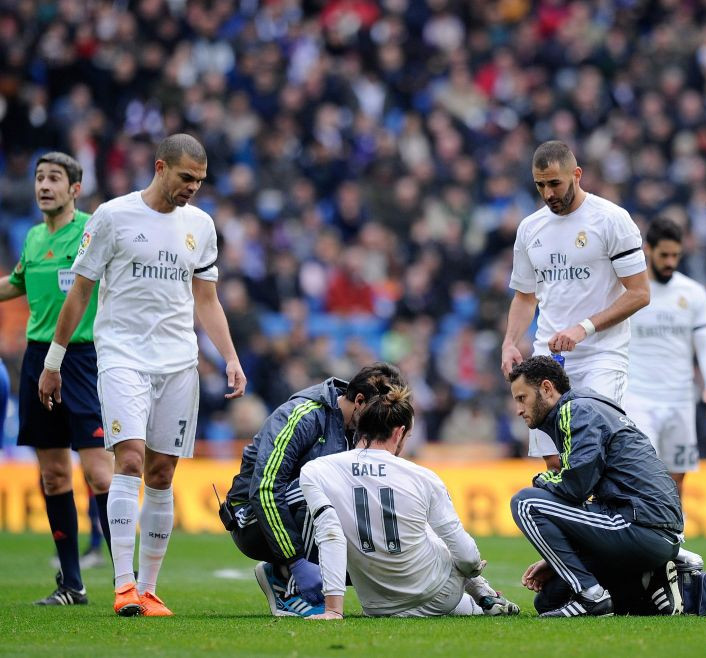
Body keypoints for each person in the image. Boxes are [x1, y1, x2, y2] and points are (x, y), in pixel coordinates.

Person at [39, 134, 246, 617]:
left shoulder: (201, 225)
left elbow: (206, 299)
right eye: (186, 178)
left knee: (161, 473)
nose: (193, 188)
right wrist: (54, 360)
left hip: (178, 362)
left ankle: (149, 591)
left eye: (200, 181)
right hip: (122, 356)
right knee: (128, 460)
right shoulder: (113, 216)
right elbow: (80, 292)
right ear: (160, 167)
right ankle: (123, 585)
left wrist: (231, 358)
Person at [298, 385, 520, 619]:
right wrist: (473, 567)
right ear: (399, 432)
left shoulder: (316, 470)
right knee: (432, 530)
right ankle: (484, 592)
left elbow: (330, 533)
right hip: (440, 595)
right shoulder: (422, 477)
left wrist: (333, 609)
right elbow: (465, 555)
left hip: (378, 605)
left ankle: (484, 600)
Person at [0, 152, 113, 606]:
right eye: (40, 178)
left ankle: (130, 579)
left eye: (54, 179)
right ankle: (72, 583)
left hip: (82, 360)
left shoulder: (92, 229)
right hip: (36, 357)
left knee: (101, 475)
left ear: (74, 188)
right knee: (52, 476)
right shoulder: (31, 237)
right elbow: (18, 283)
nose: (44, 186)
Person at [501, 140, 649, 471]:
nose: (548, 193)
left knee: (591, 454)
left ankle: (606, 522)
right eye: (540, 185)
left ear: (577, 174)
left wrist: (584, 328)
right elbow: (525, 296)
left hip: (601, 355)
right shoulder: (530, 229)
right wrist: (510, 342)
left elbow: (639, 293)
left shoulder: (612, 220)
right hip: (547, 361)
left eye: (555, 183)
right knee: (554, 461)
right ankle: (569, 523)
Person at [507, 356, 685, 617]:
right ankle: (647, 588)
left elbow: (575, 487)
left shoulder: (575, 410)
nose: (519, 409)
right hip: (652, 529)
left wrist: (541, 479)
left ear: (546, 388)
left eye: (522, 398)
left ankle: (592, 597)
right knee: (550, 599)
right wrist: (556, 560)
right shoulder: (591, 408)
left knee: (526, 502)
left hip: (640, 525)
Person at [223, 362, 404, 617]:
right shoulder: (302, 414)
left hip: (299, 509)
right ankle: (289, 586)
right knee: (323, 485)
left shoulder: (357, 427)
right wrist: (296, 560)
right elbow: (264, 489)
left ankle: (278, 572)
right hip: (252, 520)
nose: (378, 426)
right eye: (376, 418)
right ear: (360, 400)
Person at [623, 217, 706, 490]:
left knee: (677, 476)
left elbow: (705, 345)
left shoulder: (693, 293)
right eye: (664, 255)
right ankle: (643, 531)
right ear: (648, 250)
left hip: (681, 398)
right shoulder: (630, 292)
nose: (670, 262)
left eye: (675, 255)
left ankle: (673, 532)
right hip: (638, 397)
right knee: (643, 471)